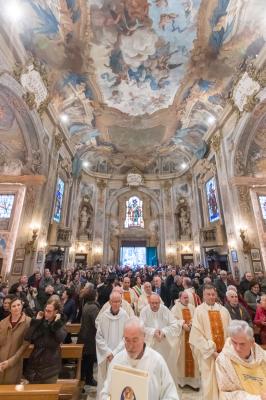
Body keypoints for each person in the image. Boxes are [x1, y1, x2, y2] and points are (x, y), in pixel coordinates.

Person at [100, 317, 179, 400]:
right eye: (127, 340)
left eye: (135, 340)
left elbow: (171, 395)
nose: (130, 346)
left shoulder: (157, 361)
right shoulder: (117, 361)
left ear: (144, 337)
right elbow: (105, 393)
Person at [189, 284, 231, 400]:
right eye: (208, 294)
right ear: (203, 295)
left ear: (216, 294)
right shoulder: (199, 311)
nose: (211, 297)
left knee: (226, 382)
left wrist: (226, 351)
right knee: (209, 385)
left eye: (213, 294)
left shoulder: (224, 311)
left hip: (224, 355)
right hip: (208, 356)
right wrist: (212, 352)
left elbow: (230, 332)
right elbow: (196, 336)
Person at [216, 320, 266, 399]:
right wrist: (258, 398)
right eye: (234, 342)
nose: (238, 348)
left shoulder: (262, 356)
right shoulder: (224, 360)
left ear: (252, 342)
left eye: (242, 344)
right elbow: (227, 393)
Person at [24, 299, 67, 383]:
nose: (46, 313)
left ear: (56, 312)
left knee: (49, 395)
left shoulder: (60, 324)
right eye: (45, 310)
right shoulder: (39, 322)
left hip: (51, 367)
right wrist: (36, 321)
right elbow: (27, 337)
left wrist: (56, 323)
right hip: (35, 365)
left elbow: (61, 338)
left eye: (49, 311)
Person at [140, 293, 181, 380]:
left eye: (157, 303)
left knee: (164, 369)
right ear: (149, 302)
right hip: (150, 345)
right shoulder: (144, 311)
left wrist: (164, 331)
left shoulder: (165, 309)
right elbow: (141, 327)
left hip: (164, 345)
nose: (155, 305)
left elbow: (174, 325)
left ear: (160, 302)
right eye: (152, 303)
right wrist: (153, 331)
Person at [96, 291, 129, 396]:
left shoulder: (125, 315)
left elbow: (126, 337)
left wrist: (114, 353)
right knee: (105, 382)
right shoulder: (104, 316)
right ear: (110, 302)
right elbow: (99, 337)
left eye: (118, 301)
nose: (116, 304)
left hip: (120, 355)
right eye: (114, 301)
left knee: (119, 384)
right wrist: (108, 353)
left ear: (121, 302)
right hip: (106, 357)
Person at [171, 292, 200, 389]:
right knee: (182, 359)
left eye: (187, 298)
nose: (187, 299)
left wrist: (191, 323)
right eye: (185, 298)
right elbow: (172, 321)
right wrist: (182, 324)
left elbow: (196, 318)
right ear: (180, 298)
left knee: (193, 357)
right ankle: (182, 382)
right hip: (182, 337)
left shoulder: (192, 307)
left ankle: (194, 383)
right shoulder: (175, 308)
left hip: (192, 337)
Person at [0, 297, 31, 384]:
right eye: (13, 306)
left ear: (22, 306)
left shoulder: (28, 322)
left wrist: (9, 362)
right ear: (10, 309)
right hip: (1, 360)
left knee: (11, 389)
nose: (17, 308)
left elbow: (25, 345)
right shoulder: (2, 322)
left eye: (18, 305)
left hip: (15, 361)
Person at [78, 287, 100, 388]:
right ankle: (88, 378)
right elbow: (97, 323)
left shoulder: (87, 305)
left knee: (86, 358)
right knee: (89, 359)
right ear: (95, 296)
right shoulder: (93, 308)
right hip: (89, 337)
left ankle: (85, 377)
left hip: (84, 335)